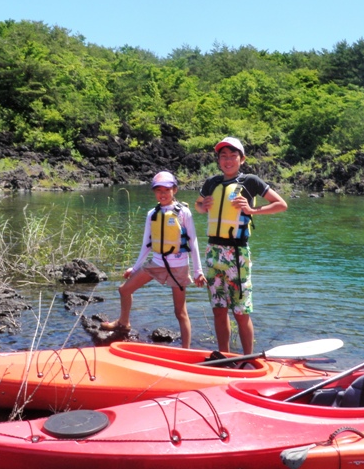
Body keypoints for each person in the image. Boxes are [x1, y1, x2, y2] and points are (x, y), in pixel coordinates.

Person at [194, 137, 288, 355]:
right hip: (213, 252)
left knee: (241, 311)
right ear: (218, 160)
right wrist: (202, 205)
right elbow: (199, 206)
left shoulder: (250, 181)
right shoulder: (211, 183)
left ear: (242, 159)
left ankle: (248, 358)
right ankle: (223, 356)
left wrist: (253, 210)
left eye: (233, 156)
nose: (228, 161)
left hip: (237, 253)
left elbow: (281, 204)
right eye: (223, 156)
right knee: (218, 309)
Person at [101, 171, 206, 348]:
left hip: (179, 267)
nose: (163, 193)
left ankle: (186, 350)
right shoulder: (152, 214)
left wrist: (198, 271)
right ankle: (123, 323)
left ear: (175, 190)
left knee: (180, 312)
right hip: (157, 263)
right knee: (124, 290)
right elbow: (146, 245)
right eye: (158, 190)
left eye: (167, 189)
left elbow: (193, 242)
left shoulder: (184, 213)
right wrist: (134, 269)